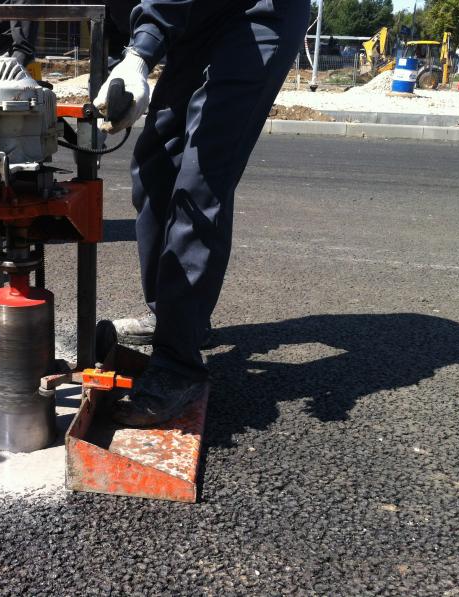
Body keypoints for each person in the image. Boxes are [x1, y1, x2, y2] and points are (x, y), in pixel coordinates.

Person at [95, 0, 310, 426]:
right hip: (197, 15)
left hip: (262, 12)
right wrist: (130, 55)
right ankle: (173, 318)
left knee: (202, 178)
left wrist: (141, 53)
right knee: (155, 163)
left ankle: (178, 366)